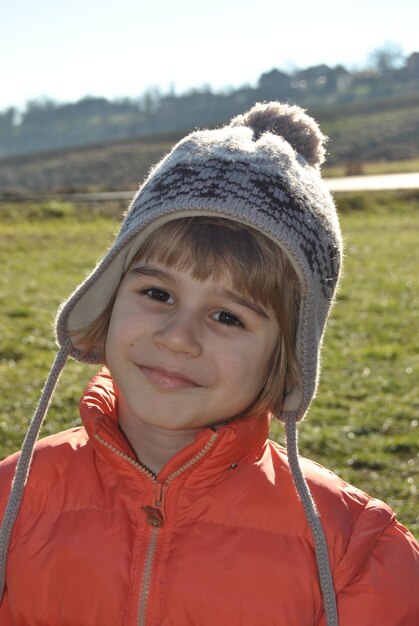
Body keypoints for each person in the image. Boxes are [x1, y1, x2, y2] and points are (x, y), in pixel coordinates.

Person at [0, 102, 417, 626]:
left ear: (287, 355)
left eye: (227, 316)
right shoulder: (10, 502)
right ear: (106, 298)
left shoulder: (357, 554)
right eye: (157, 292)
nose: (177, 338)